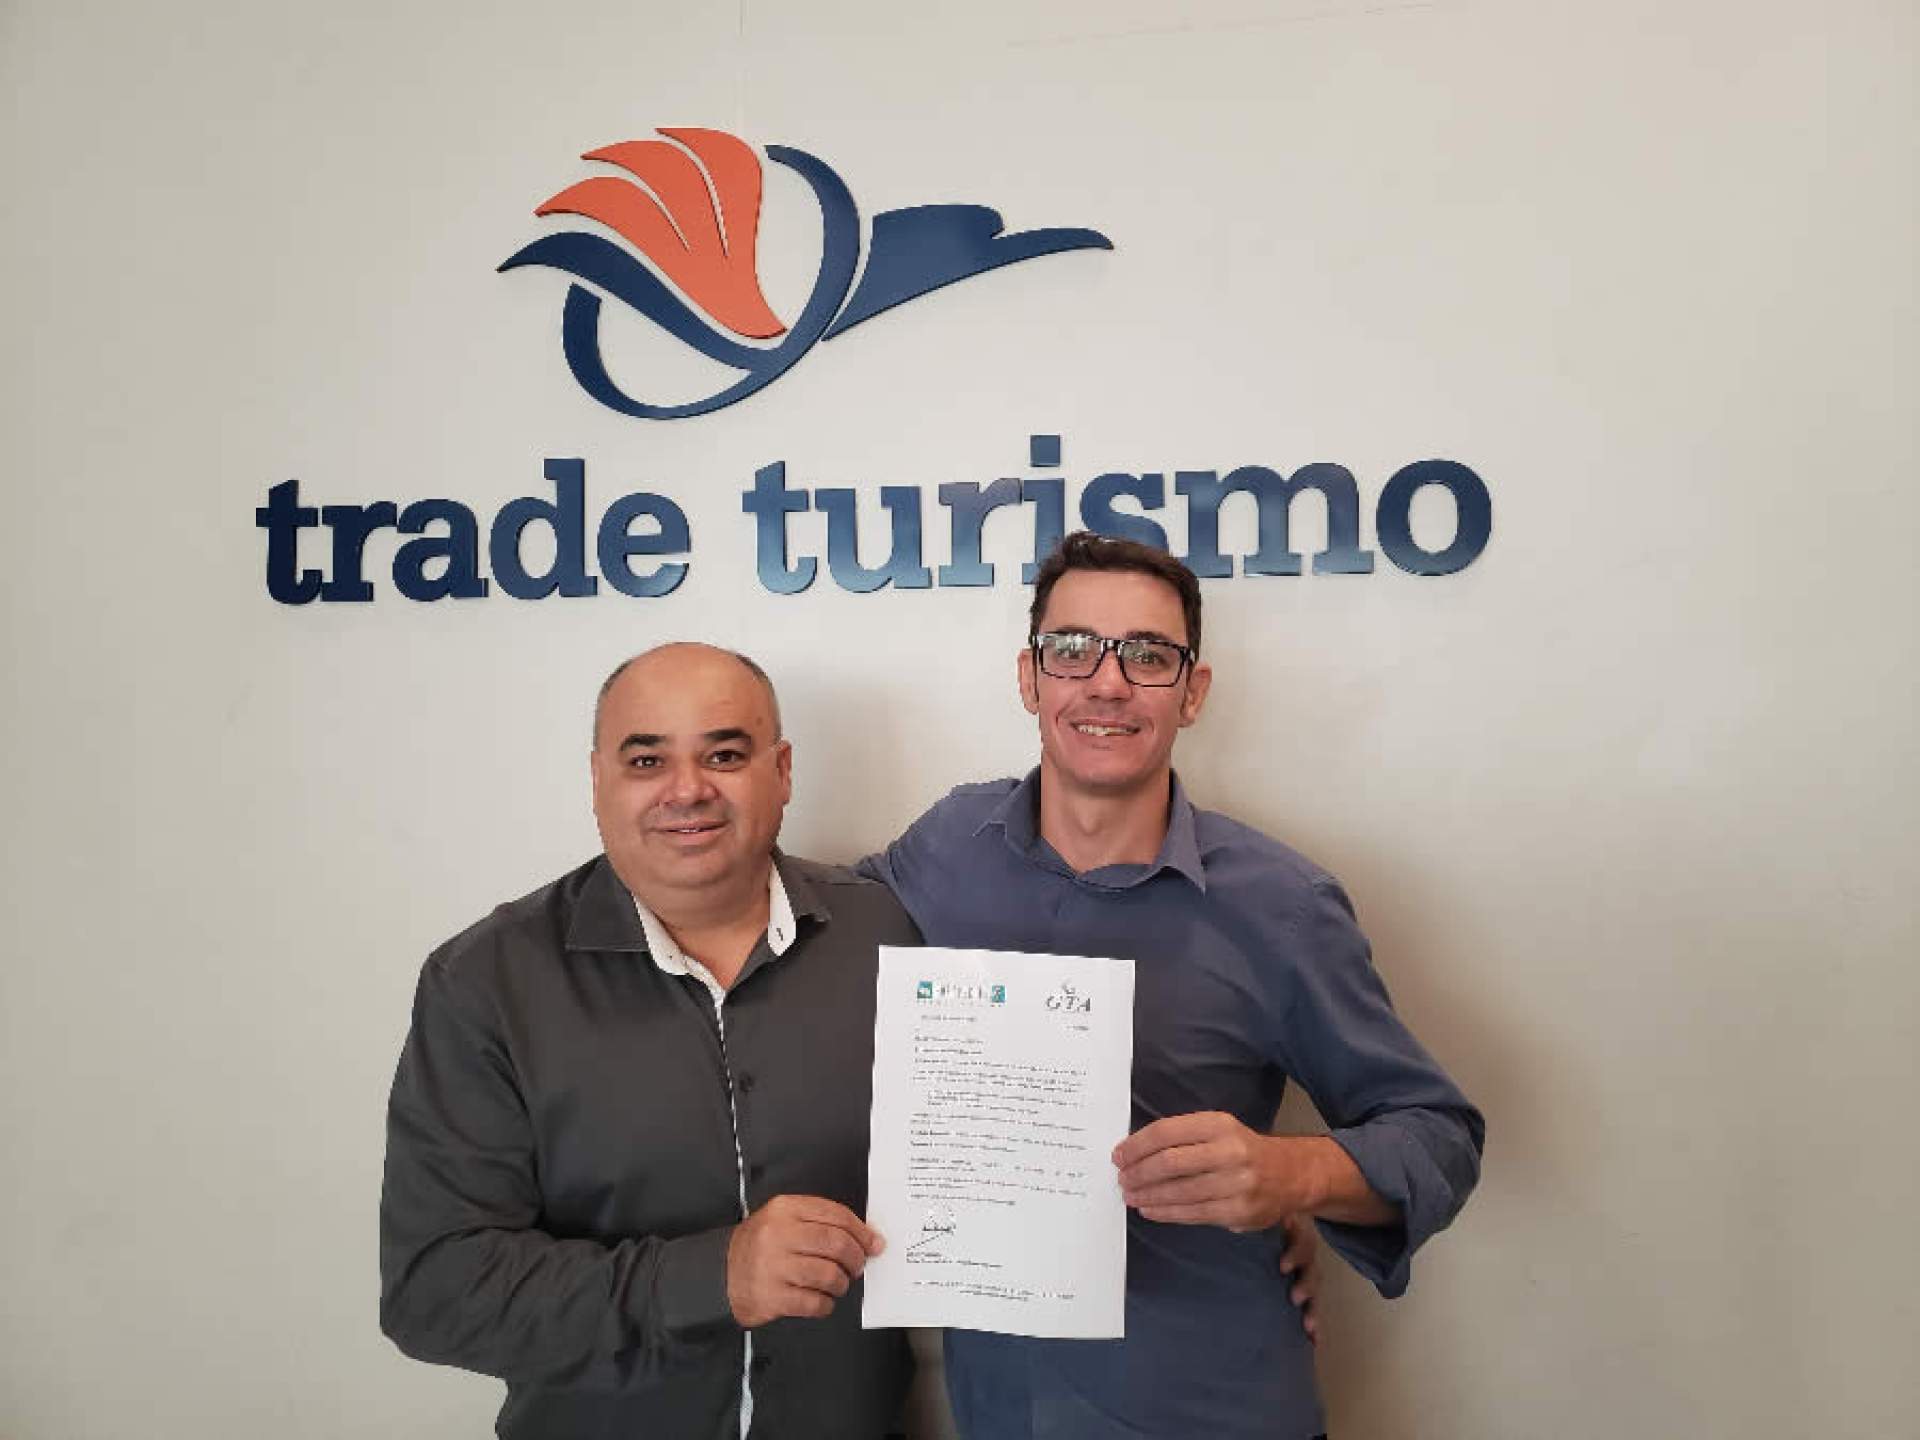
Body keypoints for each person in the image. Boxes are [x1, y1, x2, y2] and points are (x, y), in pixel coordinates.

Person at [859, 531, 1486, 1440]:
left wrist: (1291, 1175)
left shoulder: (1281, 906)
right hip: (996, 1413)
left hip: (1206, 1407)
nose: (1107, 683)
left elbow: (1440, 1138)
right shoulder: (948, 847)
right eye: (1072, 649)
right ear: (1031, 678)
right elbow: (807, 946)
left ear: (1192, 692)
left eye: (1148, 656)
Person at [379, 643, 920, 1440]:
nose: (688, 789)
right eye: (646, 760)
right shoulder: (485, 983)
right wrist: (712, 1276)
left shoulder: (888, 933)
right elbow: (435, 1291)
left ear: (782, 772)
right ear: (598, 780)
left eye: (724, 755)